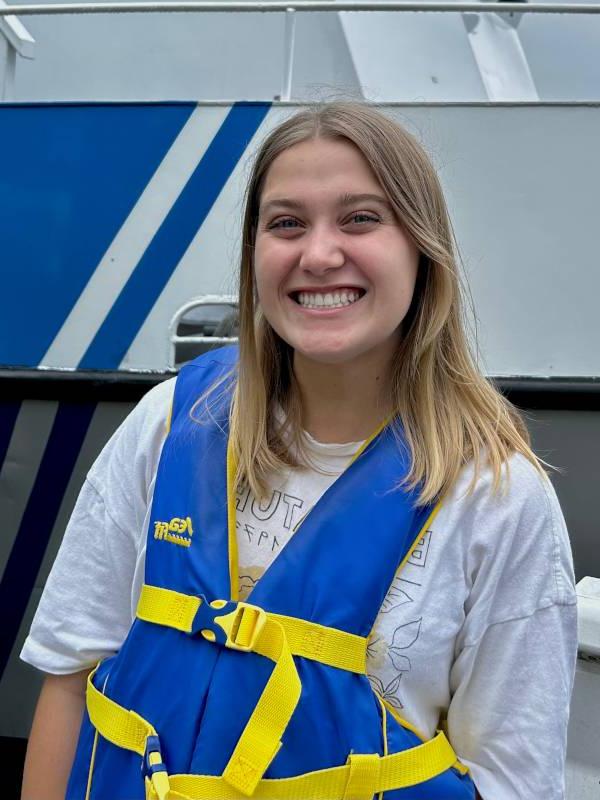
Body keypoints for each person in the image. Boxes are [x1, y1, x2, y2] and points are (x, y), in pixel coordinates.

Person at [21, 102, 577, 800]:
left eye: (360, 219)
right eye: (286, 223)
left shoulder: (499, 498)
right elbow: (70, 676)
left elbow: (514, 778)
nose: (318, 255)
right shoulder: (167, 425)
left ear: (422, 249)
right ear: (255, 253)